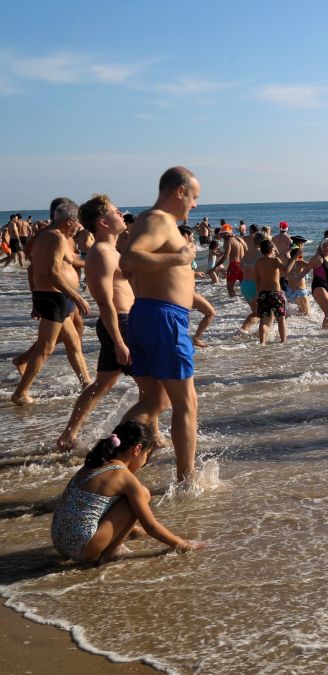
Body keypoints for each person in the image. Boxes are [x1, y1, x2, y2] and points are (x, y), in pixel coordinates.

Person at [118, 166, 201, 483]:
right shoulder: (159, 220)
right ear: (180, 191)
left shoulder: (150, 220)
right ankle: (186, 481)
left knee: (155, 401)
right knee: (186, 404)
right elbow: (130, 260)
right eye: (193, 196)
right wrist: (179, 259)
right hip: (163, 318)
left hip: (150, 314)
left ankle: (108, 467)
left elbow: (130, 267)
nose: (194, 204)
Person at [51, 420, 204, 564]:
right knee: (143, 494)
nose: (144, 461)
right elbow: (151, 526)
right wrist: (181, 543)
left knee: (120, 498)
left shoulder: (95, 463)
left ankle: (126, 533)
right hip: (81, 548)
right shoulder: (123, 475)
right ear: (137, 449)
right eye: (146, 455)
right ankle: (112, 552)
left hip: (59, 542)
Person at [57, 195, 137, 449]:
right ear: (103, 222)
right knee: (153, 388)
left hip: (123, 322)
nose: (121, 213)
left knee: (102, 384)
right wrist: (119, 341)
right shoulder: (102, 253)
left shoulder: (111, 250)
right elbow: (105, 303)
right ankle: (136, 439)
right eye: (116, 211)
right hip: (120, 324)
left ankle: (68, 436)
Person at [11, 199, 91, 405]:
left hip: (51, 296)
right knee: (46, 347)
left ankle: (87, 383)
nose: (78, 227)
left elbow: (61, 263)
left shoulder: (46, 236)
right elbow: (52, 273)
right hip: (54, 297)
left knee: (73, 342)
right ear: (69, 221)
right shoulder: (57, 238)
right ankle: (21, 393)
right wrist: (77, 297)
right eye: (77, 222)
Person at [253, 239, 295, 344]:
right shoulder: (275, 260)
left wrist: (258, 294)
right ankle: (283, 341)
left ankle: (262, 343)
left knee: (263, 320)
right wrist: (294, 258)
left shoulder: (258, 262)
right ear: (272, 249)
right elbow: (286, 271)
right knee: (281, 319)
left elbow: (257, 280)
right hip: (275, 293)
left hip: (263, 293)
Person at [306, 239, 328, 330]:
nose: (326, 248)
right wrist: (296, 279)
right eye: (324, 246)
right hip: (319, 287)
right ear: (321, 247)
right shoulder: (318, 258)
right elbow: (306, 268)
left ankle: (326, 333)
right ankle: (325, 333)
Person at [216, 224, 245, 298]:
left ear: (227, 233)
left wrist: (215, 266)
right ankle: (242, 302)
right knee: (244, 288)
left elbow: (225, 257)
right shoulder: (240, 239)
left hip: (234, 266)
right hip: (243, 265)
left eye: (222, 234)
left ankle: (233, 301)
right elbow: (247, 251)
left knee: (230, 288)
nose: (221, 236)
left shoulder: (228, 241)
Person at [285, 244, 311, 317]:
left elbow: (286, 254)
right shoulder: (301, 262)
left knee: (294, 315)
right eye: (302, 254)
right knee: (306, 315)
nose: (303, 255)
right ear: (298, 255)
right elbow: (311, 265)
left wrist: (291, 247)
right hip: (300, 292)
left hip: (289, 292)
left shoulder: (288, 262)